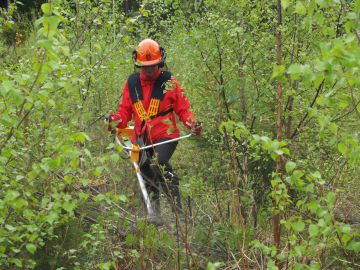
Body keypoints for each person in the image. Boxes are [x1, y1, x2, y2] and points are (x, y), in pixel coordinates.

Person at [105, 38, 202, 217]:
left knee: (158, 162)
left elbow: (183, 109)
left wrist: (192, 123)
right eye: (145, 66)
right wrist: (114, 121)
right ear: (139, 64)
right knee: (145, 170)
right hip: (141, 137)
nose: (149, 69)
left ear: (160, 62)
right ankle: (155, 213)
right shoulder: (132, 83)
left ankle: (176, 205)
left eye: (153, 65)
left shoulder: (169, 81)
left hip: (166, 133)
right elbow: (124, 112)